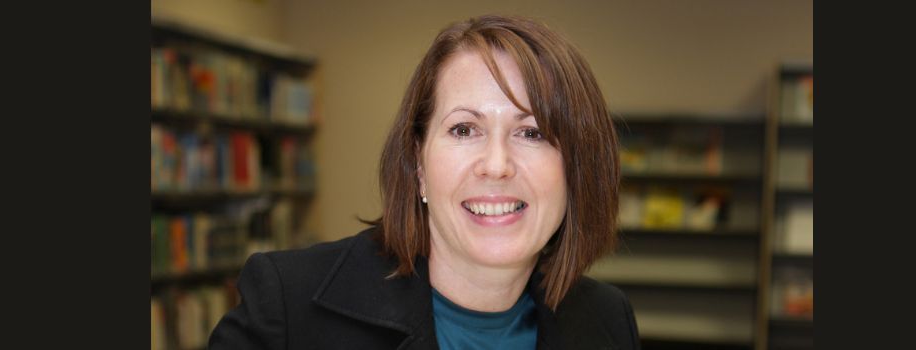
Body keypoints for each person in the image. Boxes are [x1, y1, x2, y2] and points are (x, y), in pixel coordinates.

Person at [208, 14, 638, 349]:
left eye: (533, 132)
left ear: (577, 170)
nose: (496, 164)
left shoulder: (606, 320)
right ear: (418, 165)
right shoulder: (287, 306)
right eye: (464, 130)